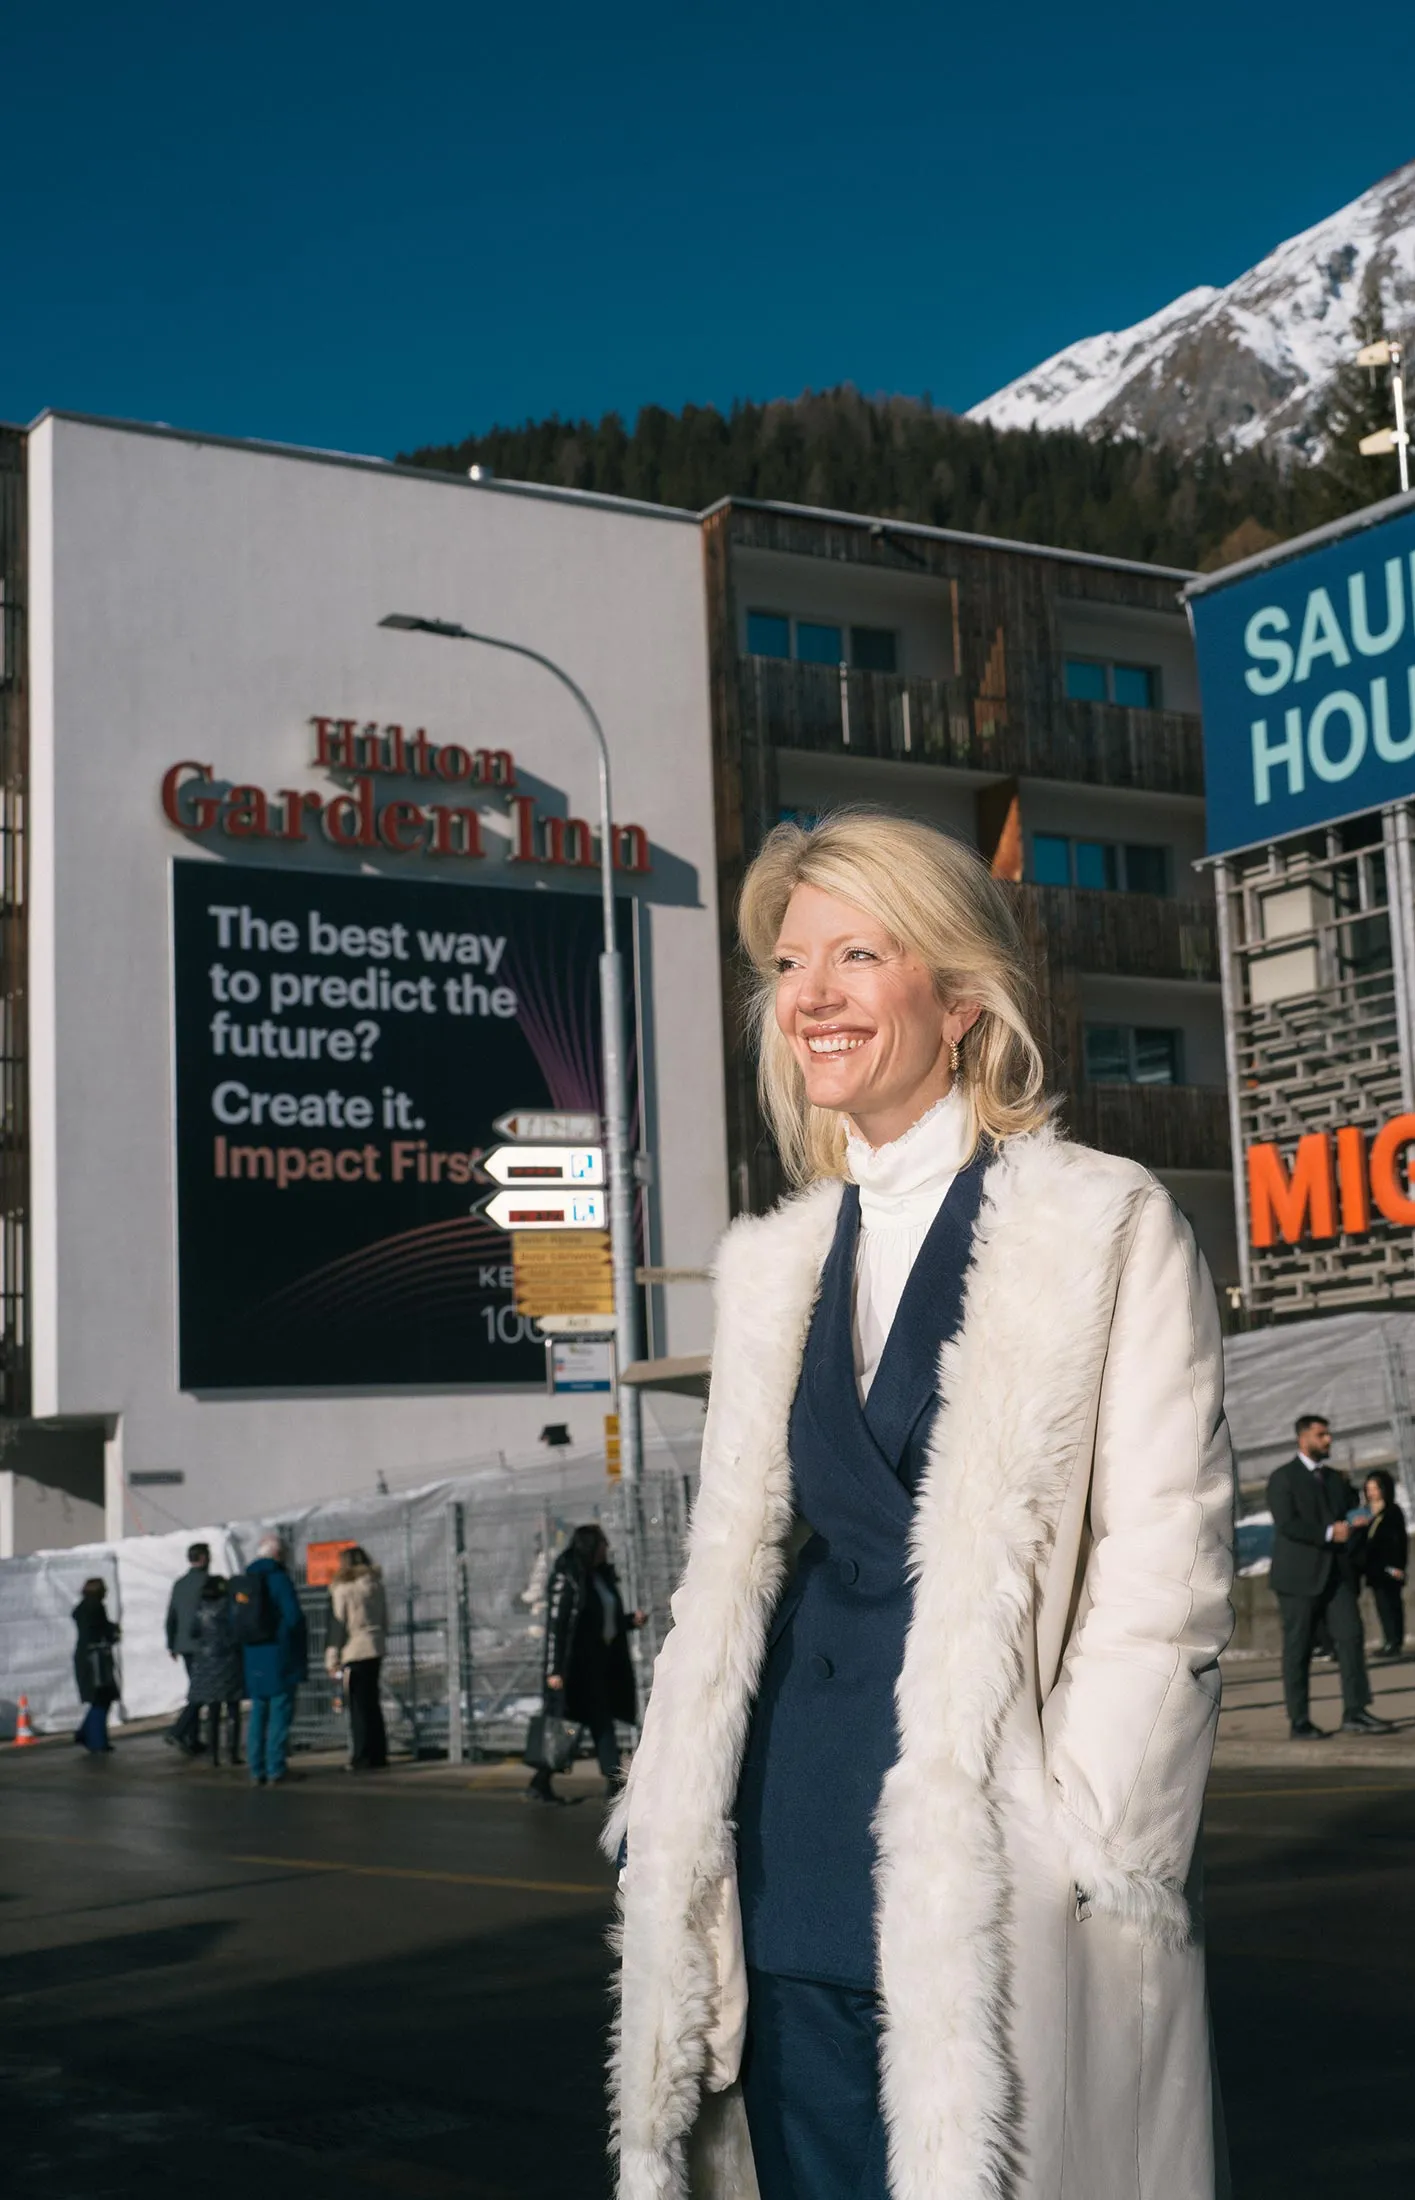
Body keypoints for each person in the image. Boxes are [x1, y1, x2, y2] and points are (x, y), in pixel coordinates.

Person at [606, 811, 1236, 2200]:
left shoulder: (1101, 1222)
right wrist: (674, 1810)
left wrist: (1083, 1840)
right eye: (789, 965)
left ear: (957, 999)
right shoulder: (771, 1264)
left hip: (992, 1875)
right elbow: (729, 1575)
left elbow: (1168, 1564)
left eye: (855, 955)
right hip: (781, 1861)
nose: (810, 997)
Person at [1268, 1415, 1393, 1740]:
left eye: (1328, 1434)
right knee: (1298, 1649)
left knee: (1351, 1638)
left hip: (1337, 1576)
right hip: (1298, 1579)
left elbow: (1348, 1513)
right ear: (1303, 1438)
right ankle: (1299, 1720)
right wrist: (1327, 1532)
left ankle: (1355, 1711)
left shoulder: (1335, 1479)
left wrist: (1358, 1520)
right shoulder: (1283, 1478)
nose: (1328, 1440)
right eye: (1321, 1435)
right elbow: (1287, 1523)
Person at [528, 1525, 645, 1804]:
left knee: (600, 1722)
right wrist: (555, 1670)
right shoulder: (568, 1576)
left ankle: (611, 1782)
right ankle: (542, 1780)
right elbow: (557, 1626)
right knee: (566, 1725)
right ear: (591, 1545)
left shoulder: (599, 1577)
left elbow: (602, 1620)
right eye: (603, 1543)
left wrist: (629, 1621)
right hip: (574, 1669)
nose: (607, 1548)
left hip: (598, 1666)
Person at [238, 1532, 308, 1786]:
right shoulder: (279, 1579)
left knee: (258, 1713)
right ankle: (276, 1767)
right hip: (279, 1653)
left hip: (253, 1654)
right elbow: (293, 1617)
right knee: (280, 1711)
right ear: (278, 1554)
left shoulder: (245, 1581)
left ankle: (256, 1768)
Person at [325, 1545, 389, 1770]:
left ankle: (361, 1756)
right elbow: (385, 1618)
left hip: (354, 1650)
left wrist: (332, 1657)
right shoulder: (376, 1585)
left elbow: (338, 1624)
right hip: (375, 1646)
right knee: (372, 1703)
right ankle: (379, 1754)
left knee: (357, 1707)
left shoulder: (343, 1589)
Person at [187, 1575, 244, 1765]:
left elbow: (193, 1631)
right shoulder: (231, 1606)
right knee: (233, 1708)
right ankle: (232, 1753)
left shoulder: (200, 1609)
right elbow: (238, 1630)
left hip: (206, 1662)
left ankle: (213, 1755)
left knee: (212, 1710)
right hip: (229, 1661)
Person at [164, 1541, 211, 1753]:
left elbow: (171, 1616)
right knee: (202, 1691)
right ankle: (179, 1730)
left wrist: (171, 1644)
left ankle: (191, 1738)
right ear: (203, 1558)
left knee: (196, 1688)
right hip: (204, 1645)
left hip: (183, 1645)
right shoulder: (207, 1582)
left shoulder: (180, 1584)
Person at [1361, 1470, 1408, 1658]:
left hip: (1390, 1565)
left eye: (1375, 1489)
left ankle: (1395, 1641)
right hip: (1374, 1567)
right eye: (1368, 1489)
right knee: (1382, 1605)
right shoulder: (1366, 1512)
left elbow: (1399, 1541)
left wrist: (1398, 1565)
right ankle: (1389, 1639)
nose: (1371, 1493)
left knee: (1393, 1603)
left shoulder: (1393, 1511)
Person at [72, 1578, 120, 1752]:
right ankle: (96, 1741)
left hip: (85, 1657)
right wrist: (113, 1631)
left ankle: (85, 1733)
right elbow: (100, 1631)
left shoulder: (81, 1608)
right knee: (101, 1699)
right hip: (96, 1660)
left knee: (97, 1699)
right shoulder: (96, 1608)